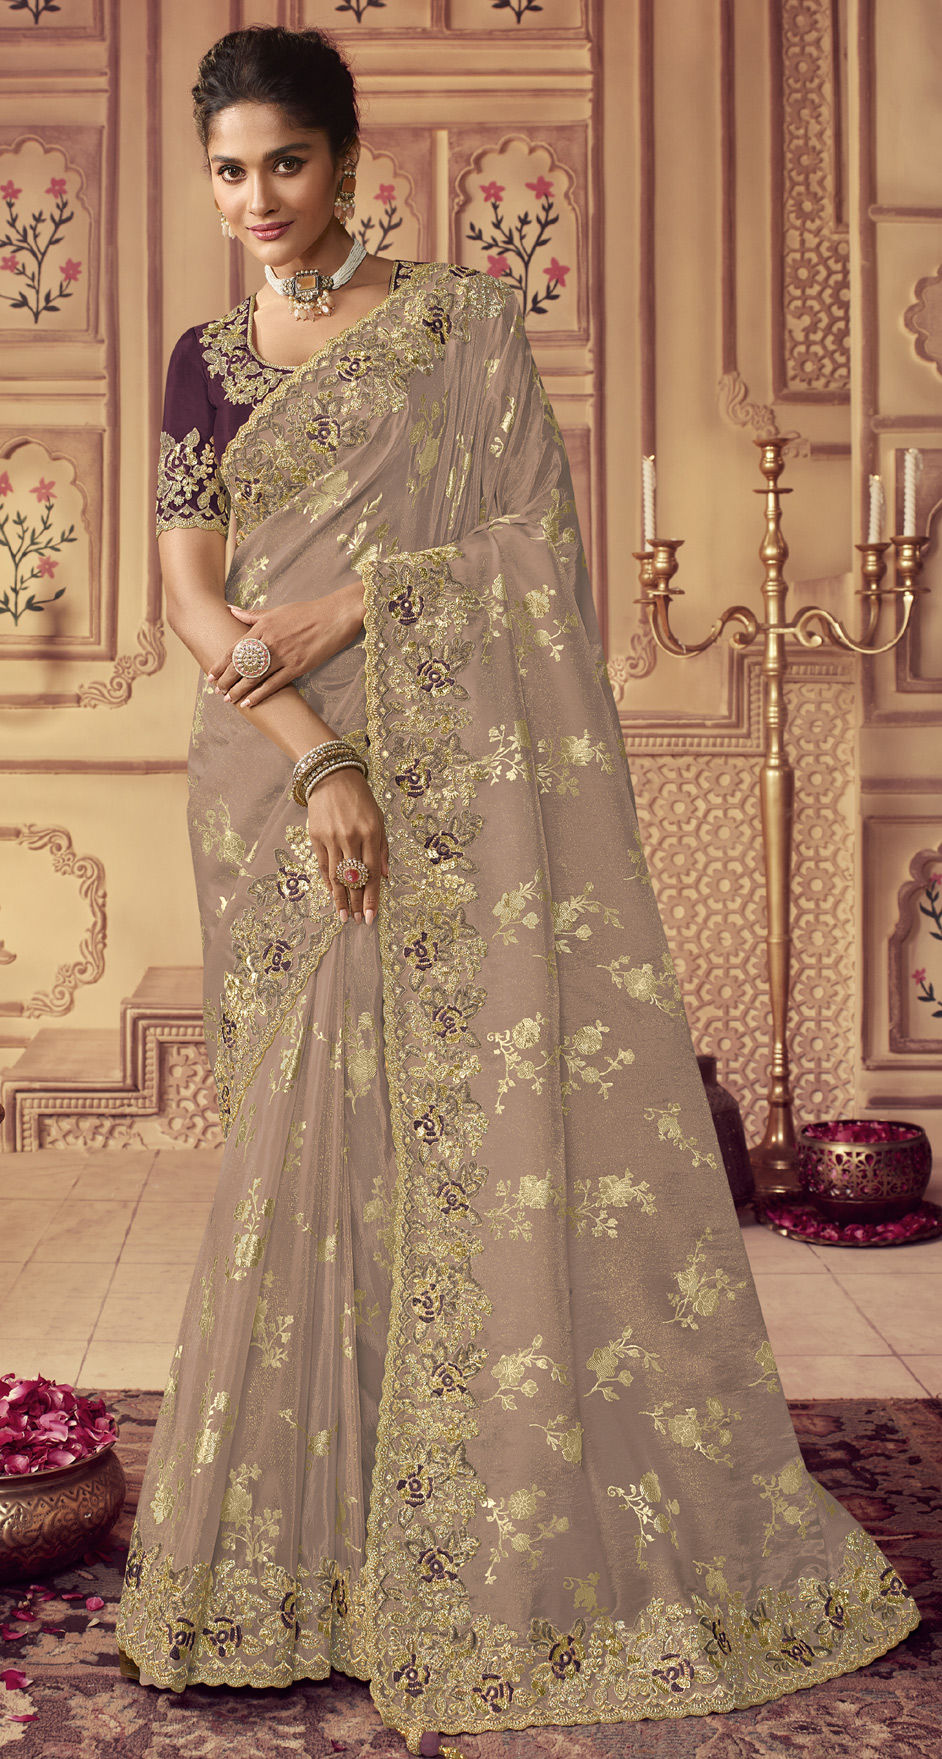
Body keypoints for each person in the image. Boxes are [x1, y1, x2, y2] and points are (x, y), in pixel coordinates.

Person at [115, 23, 919, 1754]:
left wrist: (359, 604)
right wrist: (317, 761)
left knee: (468, 1126)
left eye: (286, 162)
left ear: (347, 160)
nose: (256, 198)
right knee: (304, 1138)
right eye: (229, 171)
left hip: (454, 769)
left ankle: (478, 1528)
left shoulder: (460, 327)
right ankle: (308, 1554)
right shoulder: (203, 363)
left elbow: (531, 557)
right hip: (272, 775)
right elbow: (189, 599)